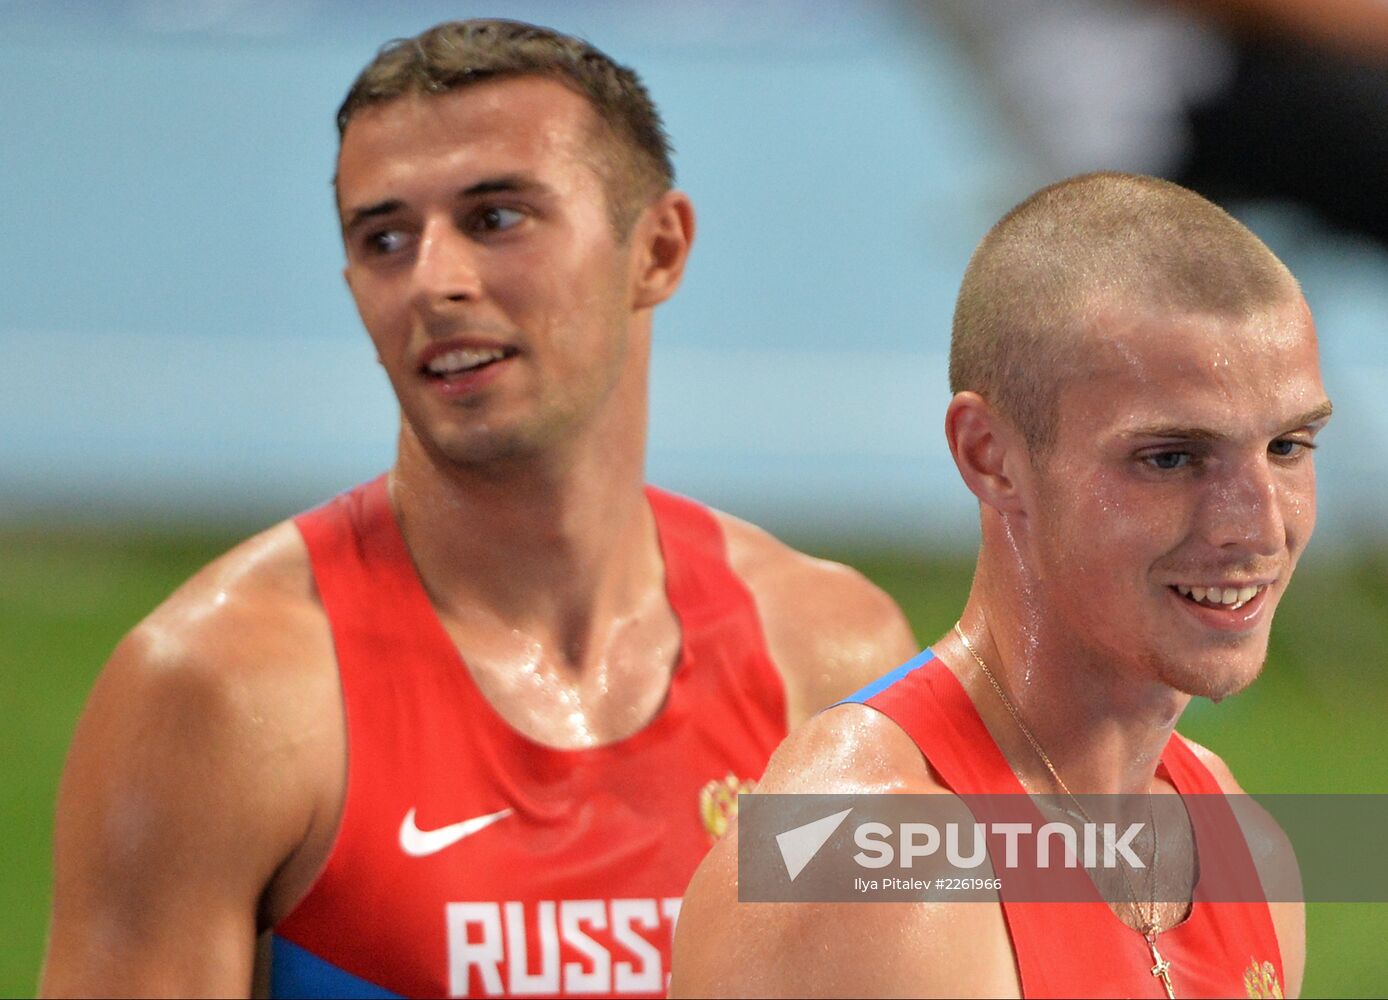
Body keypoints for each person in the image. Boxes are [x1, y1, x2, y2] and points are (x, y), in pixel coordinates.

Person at [39, 19, 917, 999]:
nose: (433, 281)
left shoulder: (824, 663)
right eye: (384, 238)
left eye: (495, 218)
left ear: (656, 250)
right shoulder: (227, 692)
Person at [671, 172, 1326, 998]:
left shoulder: (1239, 844)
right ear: (990, 456)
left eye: (1288, 447)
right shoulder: (860, 862)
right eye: (1170, 458)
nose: (1258, 527)